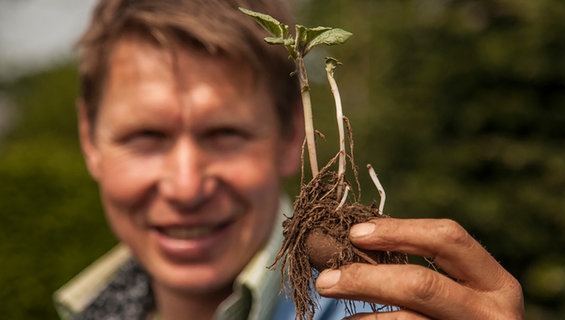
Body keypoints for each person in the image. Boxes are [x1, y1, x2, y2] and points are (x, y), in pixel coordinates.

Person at [53, 0, 525, 319]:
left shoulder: (379, 308)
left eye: (225, 134)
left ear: (291, 134)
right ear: (89, 139)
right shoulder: (92, 308)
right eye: (146, 136)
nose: (185, 186)